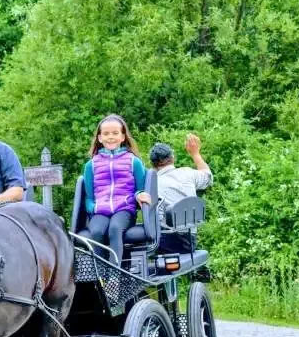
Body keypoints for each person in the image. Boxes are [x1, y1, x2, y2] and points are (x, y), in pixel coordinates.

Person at [81, 114, 151, 266]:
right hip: (101, 211)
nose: (110, 137)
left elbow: (140, 189)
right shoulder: (91, 165)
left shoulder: (134, 162)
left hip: (124, 209)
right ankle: (100, 274)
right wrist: (94, 207)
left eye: (115, 133)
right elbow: (89, 197)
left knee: (114, 228)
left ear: (123, 137)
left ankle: (114, 275)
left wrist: (140, 195)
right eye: (106, 134)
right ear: (100, 138)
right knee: (97, 232)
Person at [149, 134, 213, 253]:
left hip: (166, 242)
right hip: (189, 240)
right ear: (172, 158)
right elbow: (208, 177)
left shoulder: (153, 184)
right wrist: (195, 154)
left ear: (153, 164)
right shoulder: (188, 173)